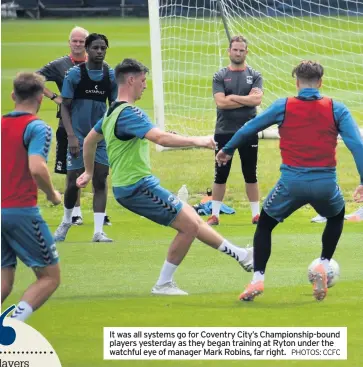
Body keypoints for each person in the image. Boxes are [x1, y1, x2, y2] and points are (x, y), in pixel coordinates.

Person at [76, 58, 254, 295]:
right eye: (142, 80)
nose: (145, 85)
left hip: (134, 186)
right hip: (136, 187)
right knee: (189, 226)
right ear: (131, 80)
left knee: (192, 218)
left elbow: (89, 141)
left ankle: (242, 255)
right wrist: (198, 140)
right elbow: (160, 138)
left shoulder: (111, 111)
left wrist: (88, 171)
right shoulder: (129, 112)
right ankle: (163, 284)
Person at [216, 60, 363, 302]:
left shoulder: (283, 105)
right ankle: (323, 264)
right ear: (321, 82)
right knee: (336, 216)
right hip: (325, 184)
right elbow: (357, 145)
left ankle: (258, 280)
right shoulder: (337, 108)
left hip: (290, 184)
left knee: (264, 225)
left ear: (297, 83)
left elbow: (249, 127)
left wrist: (228, 149)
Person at [1, 72, 62, 321]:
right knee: (49, 277)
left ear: (13, 95)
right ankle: (13, 327)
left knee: (4, 279)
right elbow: (37, 167)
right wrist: (52, 194)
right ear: (41, 98)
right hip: (21, 211)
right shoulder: (38, 128)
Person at [38, 26, 112, 227]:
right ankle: (74, 214)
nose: (78, 44)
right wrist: (55, 97)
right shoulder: (62, 66)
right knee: (73, 173)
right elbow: (34, 78)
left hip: (96, 130)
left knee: (100, 174)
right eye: (75, 41)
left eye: (82, 41)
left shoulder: (106, 71)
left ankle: (99, 219)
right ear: (70, 42)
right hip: (69, 124)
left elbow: (113, 103)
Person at [54, 33, 118, 243]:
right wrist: (71, 135)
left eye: (103, 48)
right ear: (87, 50)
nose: (99, 51)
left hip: (100, 137)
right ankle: (66, 221)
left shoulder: (110, 76)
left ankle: (98, 231)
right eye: (96, 48)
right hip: (78, 136)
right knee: (73, 181)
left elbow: (115, 108)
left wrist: (112, 134)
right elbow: (65, 105)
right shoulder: (75, 75)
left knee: (100, 179)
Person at [208, 35, 263, 226]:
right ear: (229, 51)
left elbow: (257, 100)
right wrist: (245, 98)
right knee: (220, 173)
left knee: (250, 173)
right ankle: (215, 215)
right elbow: (221, 103)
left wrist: (232, 97)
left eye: (241, 50)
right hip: (224, 131)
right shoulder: (220, 75)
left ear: (246, 52)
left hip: (249, 130)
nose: (238, 53)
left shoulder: (255, 75)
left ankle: (256, 215)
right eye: (235, 50)